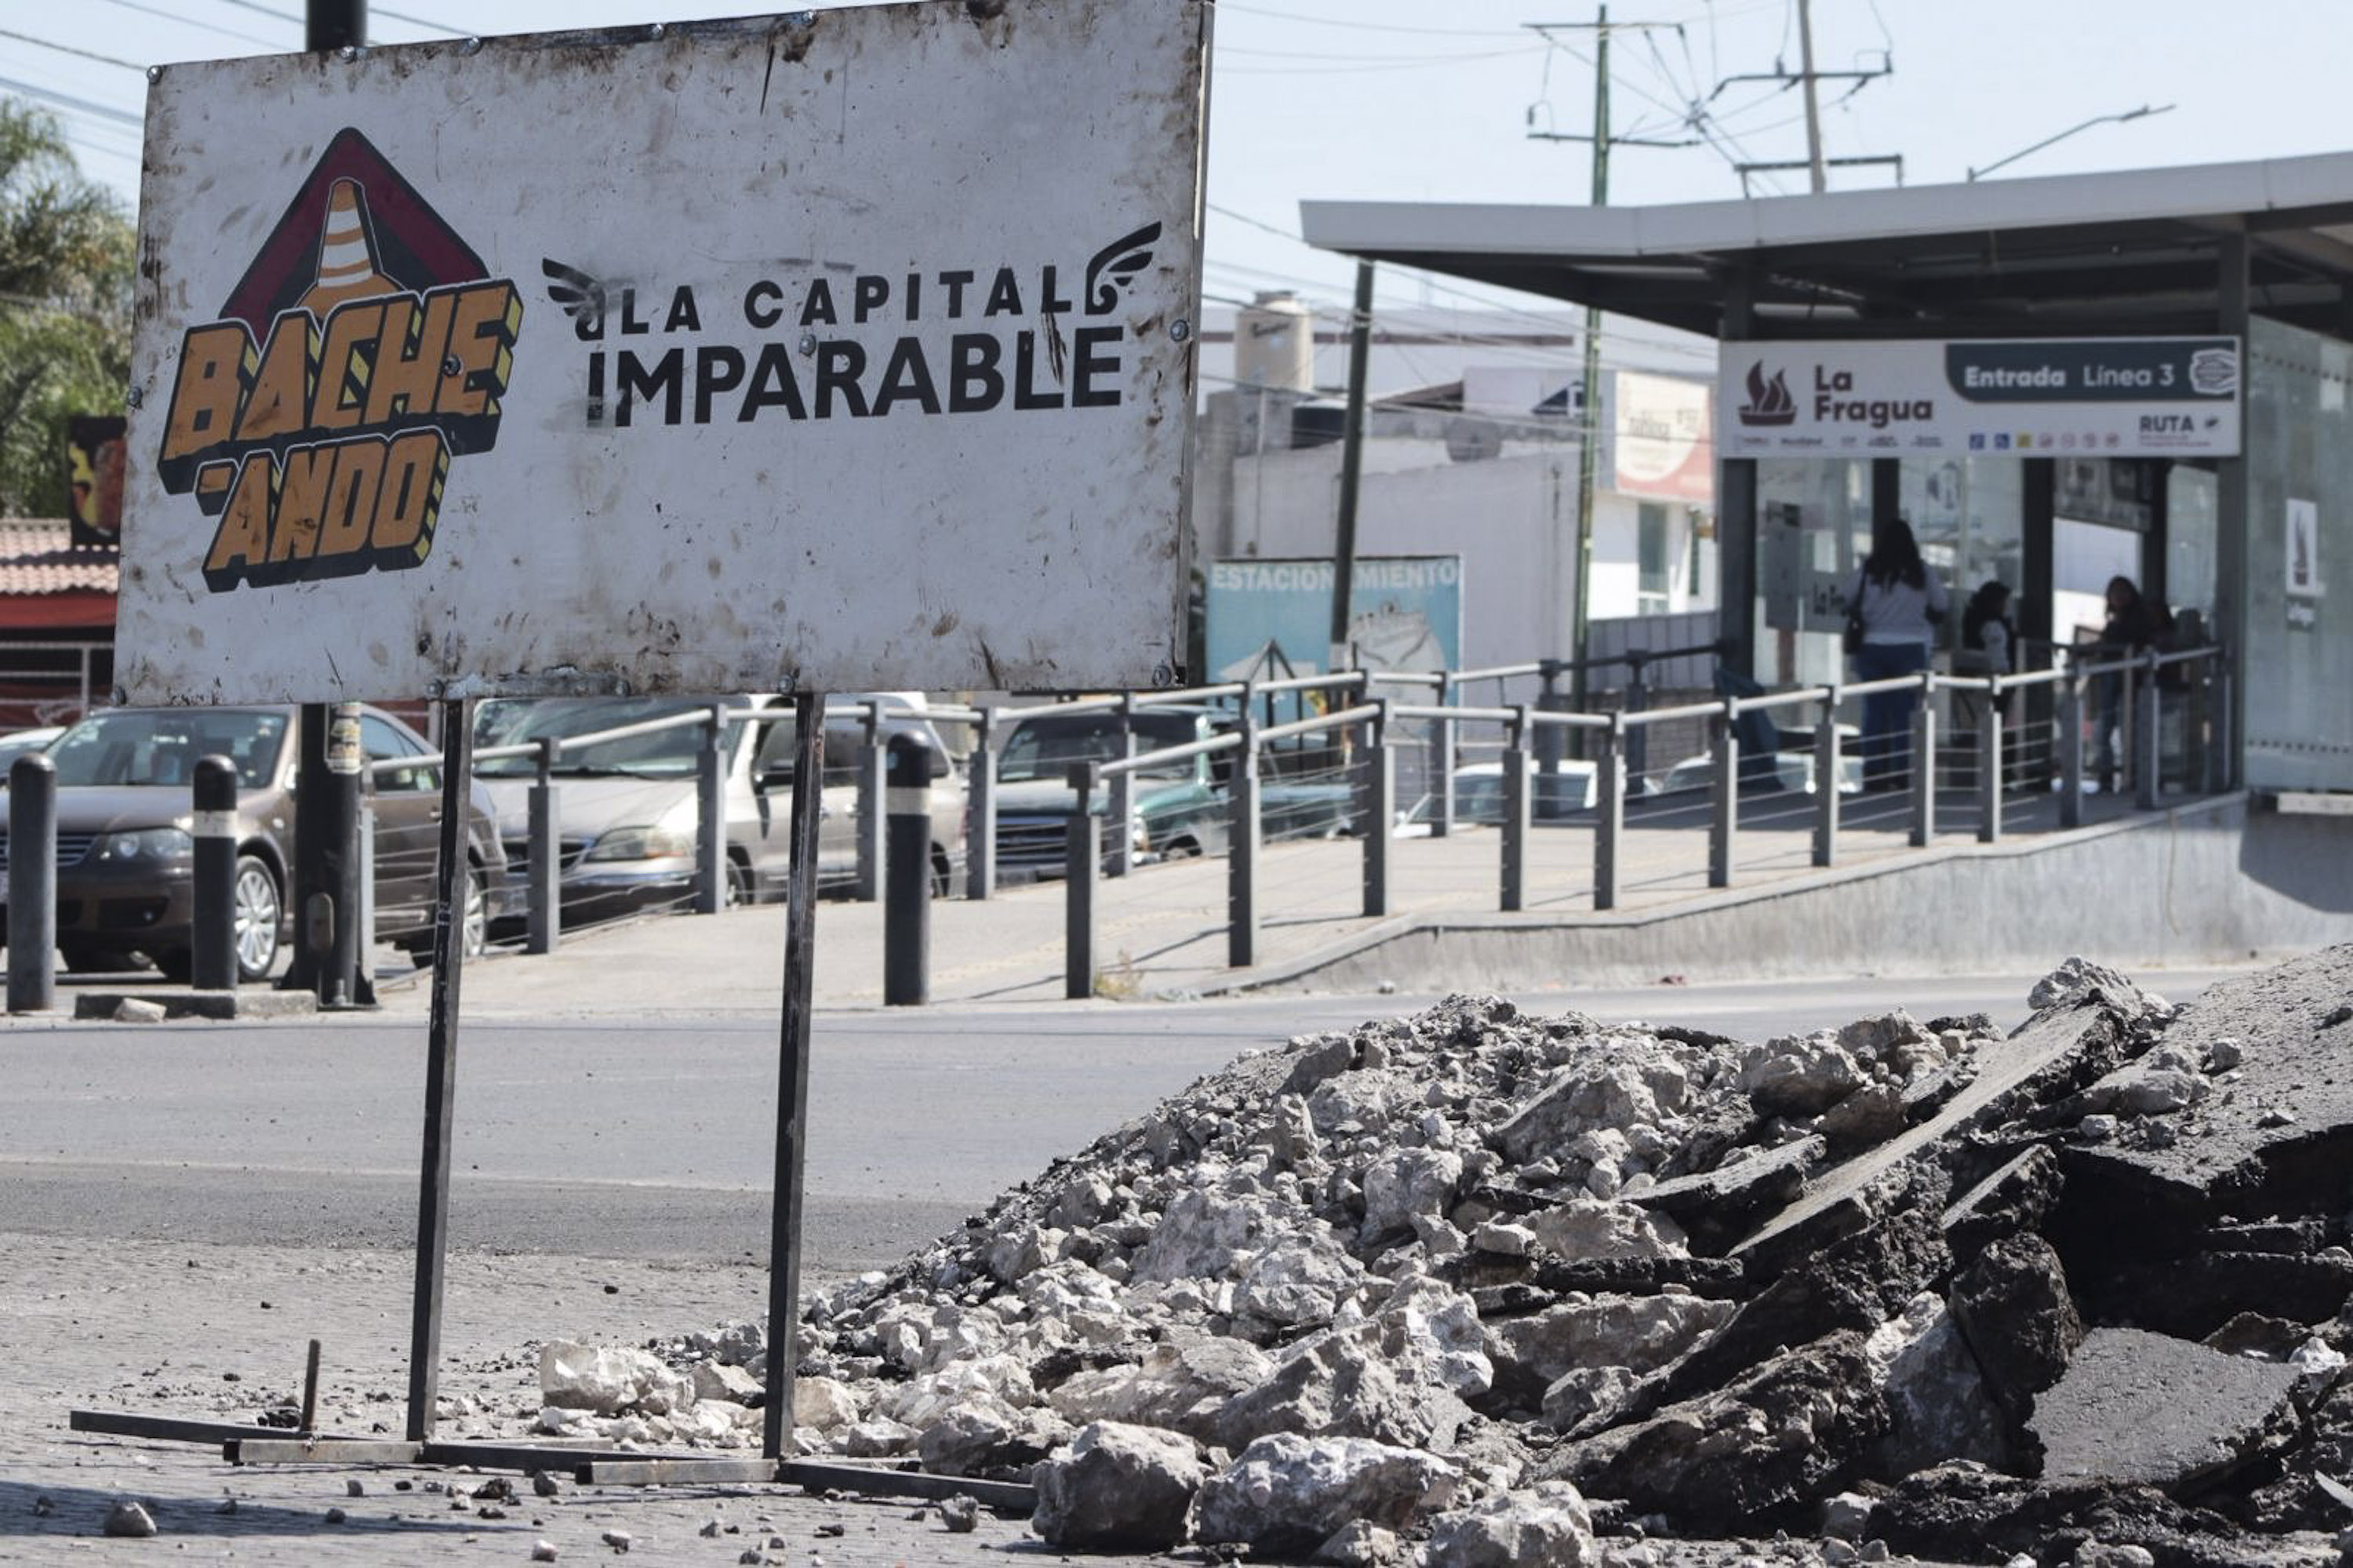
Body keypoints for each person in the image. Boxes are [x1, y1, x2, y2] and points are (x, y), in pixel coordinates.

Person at [1847, 518, 1947, 791]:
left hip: (1873, 646)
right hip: (1911, 647)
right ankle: (1902, 771)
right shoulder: (1920, 572)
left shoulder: (1870, 570)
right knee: (1905, 714)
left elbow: (1848, 598)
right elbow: (1941, 604)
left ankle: (1875, 771)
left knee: (1875, 712)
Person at [2089, 575, 2162, 785]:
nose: (2118, 597)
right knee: (2106, 726)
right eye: (2114, 592)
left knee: (2129, 727)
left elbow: (2133, 643)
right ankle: (2107, 774)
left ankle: (2133, 776)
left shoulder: (2138, 621)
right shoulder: (2115, 621)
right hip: (2111, 678)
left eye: (2122, 592)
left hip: (2131, 681)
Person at [1953, 580, 2019, 789]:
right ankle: (1999, 774)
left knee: (1991, 727)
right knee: (1996, 727)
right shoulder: (1992, 624)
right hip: (1995, 677)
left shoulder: (1976, 620)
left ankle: (1996, 772)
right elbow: (1997, 655)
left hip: (1986, 678)